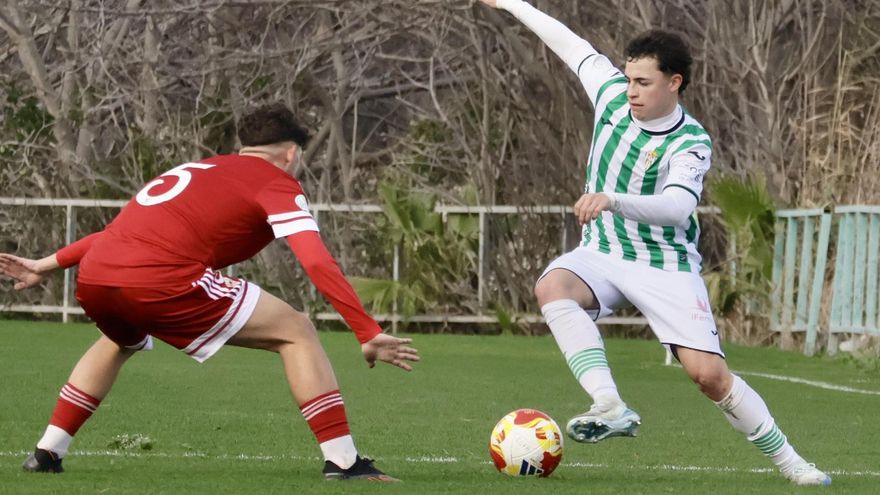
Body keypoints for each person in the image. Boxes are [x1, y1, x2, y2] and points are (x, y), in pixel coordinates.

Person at [478, 0, 830, 486]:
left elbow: (676, 208)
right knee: (552, 287)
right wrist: (514, 3)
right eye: (629, 79)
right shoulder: (610, 95)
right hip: (603, 251)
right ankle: (610, 403)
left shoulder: (691, 141)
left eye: (643, 83)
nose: (631, 91)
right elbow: (565, 41)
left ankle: (793, 463)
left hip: (664, 264)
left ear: (674, 83)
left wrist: (611, 199)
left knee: (710, 377)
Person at [0, 103, 419, 482]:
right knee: (296, 330)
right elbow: (315, 261)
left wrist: (45, 264)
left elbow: (115, 235)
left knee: (117, 341)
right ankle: (344, 463)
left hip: (95, 276)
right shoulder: (276, 182)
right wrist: (366, 330)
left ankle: (47, 452)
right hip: (161, 276)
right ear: (291, 154)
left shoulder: (197, 170)